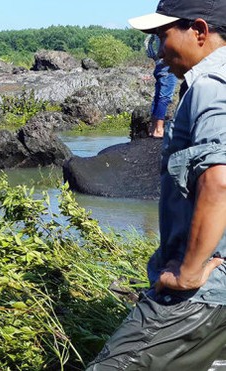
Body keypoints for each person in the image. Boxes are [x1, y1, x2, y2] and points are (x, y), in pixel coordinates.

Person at [87, 0, 226, 369]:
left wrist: (188, 272)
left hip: (200, 295)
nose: (158, 53)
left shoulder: (212, 86)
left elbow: (219, 180)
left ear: (199, 31)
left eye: (161, 38)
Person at [145, 34, 178, 138]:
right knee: (164, 98)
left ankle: (153, 128)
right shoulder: (170, 30)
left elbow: (147, 42)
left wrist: (154, 58)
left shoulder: (157, 31)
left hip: (159, 65)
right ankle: (159, 129)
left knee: (158, 97)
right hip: (168, 65)